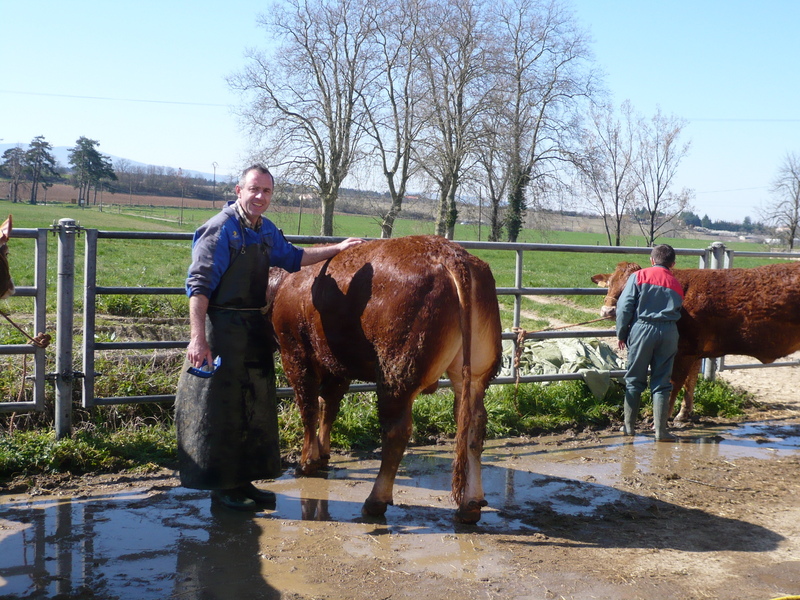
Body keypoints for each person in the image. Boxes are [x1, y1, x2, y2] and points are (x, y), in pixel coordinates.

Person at [176, 164, 363, 510]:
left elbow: (295, 257)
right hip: (222, 329)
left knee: (251, 407)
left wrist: (338, 248)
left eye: (267, 191)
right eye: (254, 189)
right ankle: (223, 488)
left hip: (253, 329)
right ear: (238, 191)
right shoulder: (220, 230)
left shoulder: (264, 231)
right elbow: (198, 288)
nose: (260, 197)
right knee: (223, 409)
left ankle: (243, 481)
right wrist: (197, 338)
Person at [615, 244, 684, 442]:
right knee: (662, 382)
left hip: (643, 328)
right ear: (673, 264)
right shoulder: (676, 283)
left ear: (652, 260)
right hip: (670, 331)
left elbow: (625, 307)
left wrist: (621, 333)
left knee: (635, 380)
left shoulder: (639, 276)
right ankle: (661, 431)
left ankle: (629, 428)